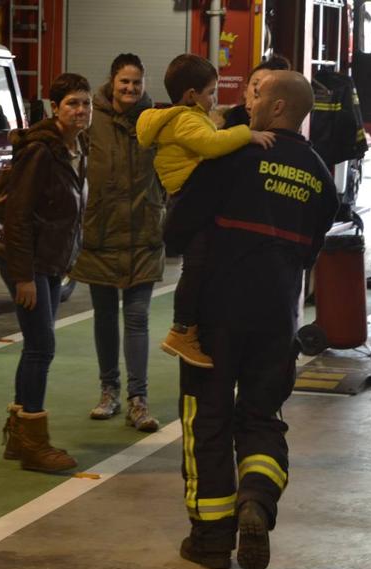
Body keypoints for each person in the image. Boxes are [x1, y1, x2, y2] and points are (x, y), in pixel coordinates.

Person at [163, 70, 339, 569]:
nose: (249, 100)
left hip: (215, 315)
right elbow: (311, 249)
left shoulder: (233, 156)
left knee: (208, 418)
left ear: (279, 108)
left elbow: (175, 232)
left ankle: (211, 538)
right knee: (261, 417)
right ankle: (256, 501)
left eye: (258, 94)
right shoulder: (319, 174)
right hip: (278, 319)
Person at [137, 53, 276, 369]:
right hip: (190, 197)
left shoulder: (181, 118)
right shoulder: (185, 119)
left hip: (190, 196)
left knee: (199, 265)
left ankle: (188, 327)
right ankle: (182, 329)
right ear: (191, 95)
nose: (215, 99)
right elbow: (211, 145)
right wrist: (248, 135)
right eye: (211, 92)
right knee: (196, 267)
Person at [0, 73, 91, 472]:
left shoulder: (76, 147)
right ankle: (33, 444)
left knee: (37, 346)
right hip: (28, 262)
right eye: (72, 103)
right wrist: (23, 277)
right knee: (42, 346)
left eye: (86, 103)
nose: (81, 110)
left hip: (50, 261)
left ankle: (19, 436)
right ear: (56, 108)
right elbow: (17, 216)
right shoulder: (41, 151)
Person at [69, 53, 164, 432]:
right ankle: (109, 391)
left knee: (138, 317)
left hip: (143, 232)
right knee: (106, 317)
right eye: (124, 82)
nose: (130, 88)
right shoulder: (91, 118)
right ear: (112, 81)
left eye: (136, 82)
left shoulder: (153, 119)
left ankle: (138, 400)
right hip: (101, 233)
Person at [221, 54, 291, 128]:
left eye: (266, 85)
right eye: (256, 83)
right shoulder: (229, 118)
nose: (258, 89)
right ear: (245, 91)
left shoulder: (283, 126)